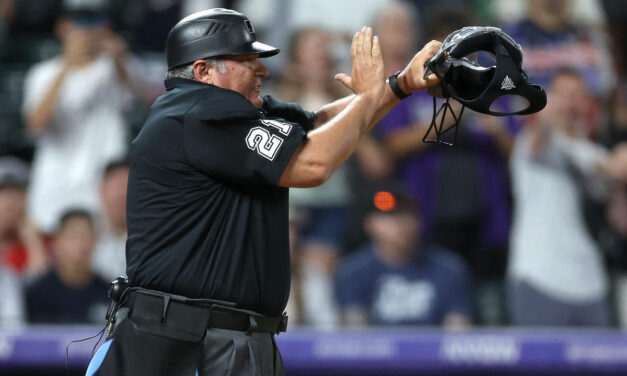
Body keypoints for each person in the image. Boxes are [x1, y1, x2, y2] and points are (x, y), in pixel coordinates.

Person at [85, 8, 442, 376]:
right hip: (181, 342)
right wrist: (369, 97)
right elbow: (312, 163)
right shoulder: (195, 115)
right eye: (246, 60)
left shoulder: (232, 113)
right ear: (203, 70)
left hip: (222, 337)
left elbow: (319, 125)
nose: (263, 70)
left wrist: (399, 86)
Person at [508, 67, 611, 327]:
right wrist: (544, 108)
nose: (569, 102)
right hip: (540, 278)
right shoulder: (532, 142)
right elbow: (539, 134)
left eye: (577, 95)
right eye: (562, 94)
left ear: (588, 103)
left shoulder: (593, 152)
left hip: (591, 283)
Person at [22, 3, 133, 233]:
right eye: (79, 24)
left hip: (104, 187)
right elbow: (35, 124)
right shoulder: (43, 73)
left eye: (94, 24)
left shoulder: (116, 65)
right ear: (62, 29)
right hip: (56, 185)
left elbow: (148, 98)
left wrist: (120, 59)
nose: (87, 32)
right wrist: (67, 66)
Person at [335, 185, 472, 328]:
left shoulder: (449, 269)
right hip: (376, 349)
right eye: (390, 216)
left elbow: (457, 333)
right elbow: (355, 335)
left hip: (431, 349)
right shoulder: (353, 271)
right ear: (370, 224)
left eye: (407, 214)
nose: (400, 223)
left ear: (420, 221)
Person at [25, 209, 110, 324]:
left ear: (95, 241)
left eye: (87, 236)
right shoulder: (36, 293)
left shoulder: (109, 292)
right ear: (57, 242)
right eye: (74, 236)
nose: (81, 244)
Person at [0, 157, 47, 276]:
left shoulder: (43, 240)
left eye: (17, 192)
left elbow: (41, 286)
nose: (10, 200)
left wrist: (34, 243)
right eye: (4, 192)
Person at [92, 159, 129, 281]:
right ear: (101, 191)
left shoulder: (152, 237)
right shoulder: (87, 233)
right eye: (116, 187)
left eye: (127, 187)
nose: (121, 194)